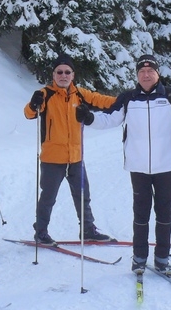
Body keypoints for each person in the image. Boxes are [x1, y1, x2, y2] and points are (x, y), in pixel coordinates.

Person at [78, 54, 171, 276]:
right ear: (137, 75)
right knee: (141, 213)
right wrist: (88, 118)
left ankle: (163, 258)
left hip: (166, 165)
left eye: (150, 71)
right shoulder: (128, 98)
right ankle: (139, 257)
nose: (146, 75)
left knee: (164, 213)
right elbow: (109, 119)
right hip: (138, 166)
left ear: (157, 74)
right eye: (142, 72)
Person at [24, 54, 116, 245]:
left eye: (67, 72)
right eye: (59, 72)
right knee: (48, 198)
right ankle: (41, 232)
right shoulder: (45, 94)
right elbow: (29, 113)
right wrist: (33, 104)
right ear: (54, 74)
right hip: (52, 159)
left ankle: (88, 230)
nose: (63, 75)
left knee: (83, 195)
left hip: (75, 157)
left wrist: (127, 99)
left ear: (73, 75)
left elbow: (103, 101)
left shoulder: (80, 94)